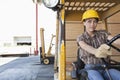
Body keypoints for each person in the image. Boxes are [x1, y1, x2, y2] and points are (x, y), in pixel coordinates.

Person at [77, 9, 120, 80]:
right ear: (84, 23)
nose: (92, 24)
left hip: (106, 67)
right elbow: (84, 46)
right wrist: (96, 51)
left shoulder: (103, 34)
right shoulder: (81, 37)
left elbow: (115, 40)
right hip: (91, 68)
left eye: (95, 22)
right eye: (89, 21)